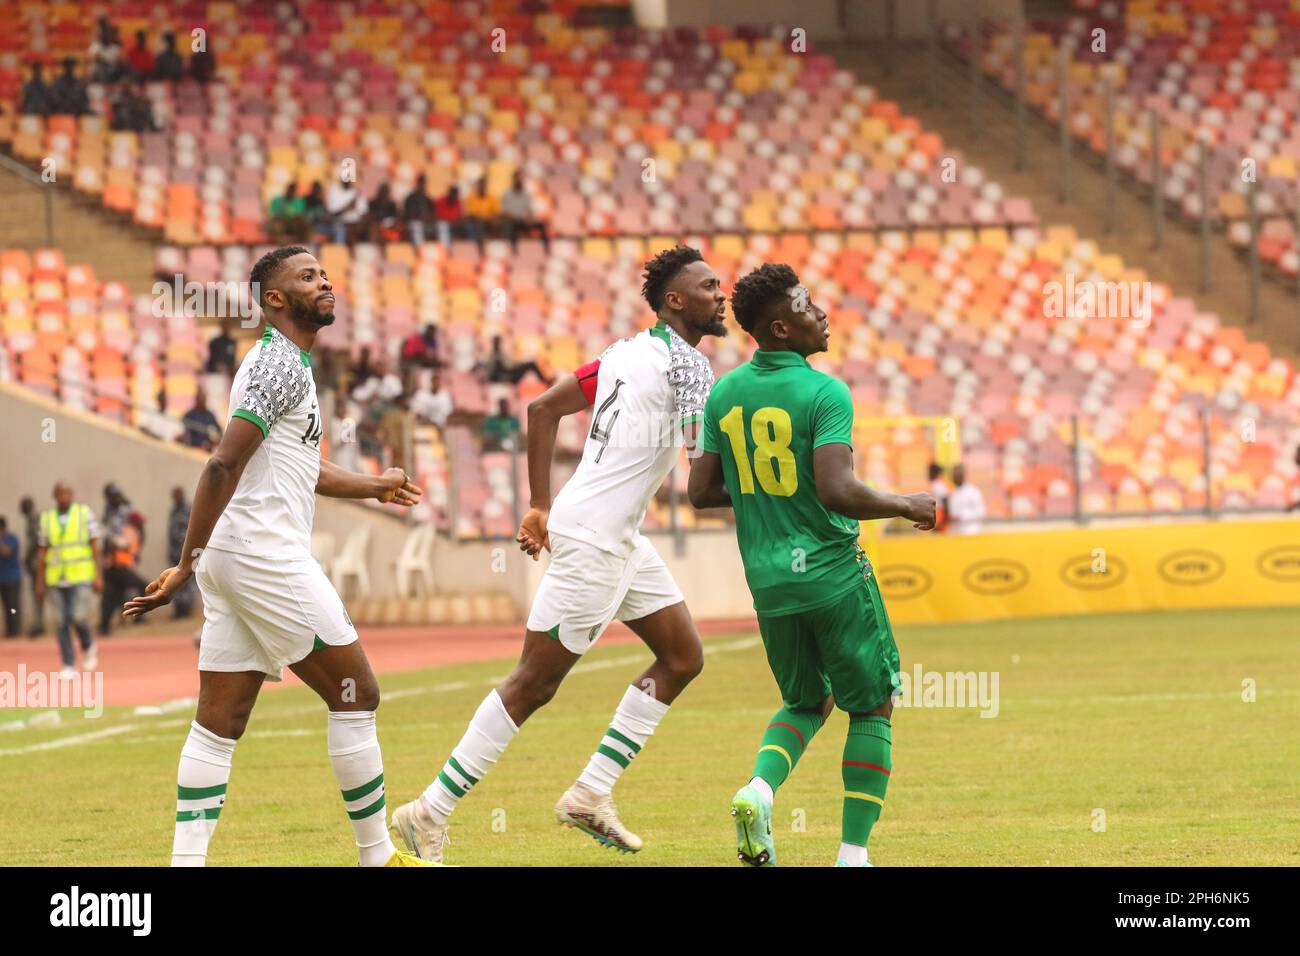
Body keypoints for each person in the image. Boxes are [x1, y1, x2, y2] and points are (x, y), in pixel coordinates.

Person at [390, 245, 726, 862]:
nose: (721, 294)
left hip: (611, 534)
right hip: (597, 539)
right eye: (709, 286)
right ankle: (429, 812)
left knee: (682, 656)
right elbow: (703, 484)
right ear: (675, 300)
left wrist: (540, 504)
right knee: (534, 682)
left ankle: (591, 793)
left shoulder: (624, 353)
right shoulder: (690, 369)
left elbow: (542, 408)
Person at [123, 245, 430, 868]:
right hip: (260, 553)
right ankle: (378, 858)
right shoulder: (278, 365)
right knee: (356, 692)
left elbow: (299, 467)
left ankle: (185, 866)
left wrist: (372, 485)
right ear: (275, 299)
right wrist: (184, 563)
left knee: (220, 722)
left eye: (324, 273)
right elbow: (221, 462)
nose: (325, 282)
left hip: (236, 557)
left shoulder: (287, 365)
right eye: (307, 276)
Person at [687, 262, 936, 868]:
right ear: (778, 328)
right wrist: (908, 504)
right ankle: (852, 854)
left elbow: (700, 492)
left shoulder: (724, 393)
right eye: (805, 307)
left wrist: (767, 495)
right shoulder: (825, 392)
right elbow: (837, 490)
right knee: (872, 704)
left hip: (769, 583)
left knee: (805, 702)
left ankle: (758, 790)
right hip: (832, 573)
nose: (820, 313)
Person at [35, 482, 103, 678]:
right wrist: (39, 582)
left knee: (78, 616)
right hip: (56, 578)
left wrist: (98, 575)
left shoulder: (84, 514)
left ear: (71, 495)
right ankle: (68, 663)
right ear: (55, 496)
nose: (64, 497)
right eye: (60, 494)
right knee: (60, 622)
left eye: (67, 493)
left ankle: (88, 645)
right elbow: (42, 552)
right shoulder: (47, 519)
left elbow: (95, 547)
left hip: (81, 575)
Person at [101, 513, 147, 636]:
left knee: (112, 596)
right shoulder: (129, 531)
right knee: (144, 586)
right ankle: (138, 617)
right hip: (118, 568)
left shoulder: (132, 532)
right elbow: (115, 543)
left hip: (116, 568)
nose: (142, 525)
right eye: (140, 522)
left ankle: (104, 626)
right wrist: (110, 556)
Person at [500, 172, 550, 251]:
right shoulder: (507, 194)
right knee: (512, 224)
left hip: (524, 220)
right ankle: (513, 248)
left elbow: (529, 209)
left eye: (520, 180)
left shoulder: (527, 194)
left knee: (540, 225)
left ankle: (546, 248)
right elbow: (505, 211)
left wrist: (528, 216)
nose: (519, 181)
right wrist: (515, 217)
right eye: (517, 180)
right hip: (513, 220)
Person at [167, 487, 197, 618]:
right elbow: (171, 534)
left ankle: (186, 609)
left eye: (178, 494)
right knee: (176, 582)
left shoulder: (189, 508)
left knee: (188, 582)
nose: (176, 497)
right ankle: (178, 609)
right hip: (175, 553)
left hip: (187, 553)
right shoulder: (173, 510)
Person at [477, 335, 550, 387]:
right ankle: (546, 381)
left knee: (531, 363)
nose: (497, 344)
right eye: (496, 342)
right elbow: (490, 372)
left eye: (498, 342)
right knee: (530, 364)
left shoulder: (503, 354)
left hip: (512, 374)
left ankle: (545, 381)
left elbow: (512, 365)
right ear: (493, 343)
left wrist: (520, 364)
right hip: (504, 377)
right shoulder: (492, 356)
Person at [20, 496, 45, 636]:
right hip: (37, 562)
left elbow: (36, 539)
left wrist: (28, 556)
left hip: (37, 562)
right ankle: (38, 623)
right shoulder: (33, 518)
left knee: (39, 593)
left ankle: (39, 624)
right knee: (38, 595)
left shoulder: (33, 519)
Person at [325, 176, 367, 245]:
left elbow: (363, 212)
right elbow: (332, 214)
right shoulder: (335, 192)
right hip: (340, 221)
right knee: (340, 228)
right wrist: (347, 207)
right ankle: (339, 250)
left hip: (356, 222)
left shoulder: (357, 193)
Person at [946, 463, 986, 535]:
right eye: (954, 475)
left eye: (957, 475)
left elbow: (981, 512)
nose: (955, 477)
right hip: (956, 533)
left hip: (971, 532)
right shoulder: (953, 493)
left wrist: (962, 517)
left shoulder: (973, 491)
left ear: (962, 475)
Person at [0, 517, 21, 638]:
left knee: (13, 606)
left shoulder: (12, 538)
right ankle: (9, 632)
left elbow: (7, 551)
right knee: (5, 606)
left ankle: (15, 631)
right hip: (2, 578)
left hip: (12, 578)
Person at [402, 174, 437, 246]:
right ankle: (419, 248)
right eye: (421, 183)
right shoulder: (410, 198)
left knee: (442, 226)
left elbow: (433, 214)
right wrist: (419, 217)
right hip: (413, 224)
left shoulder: (428, 199)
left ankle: (445, 249)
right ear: (417, 184)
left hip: (427, 224)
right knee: (416, 225)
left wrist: (428, 219)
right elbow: (408, 214)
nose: (422, 185)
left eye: (423, 183)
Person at [464, 176, 500, 241]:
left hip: (489, 220)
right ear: (477, 186)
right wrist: (483, 217)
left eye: (483, 185)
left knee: (497, 222)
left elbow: (496, 211)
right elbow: (471, 213)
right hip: (476, 220)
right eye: (480, 185)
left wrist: (491, 217)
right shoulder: (471, 197)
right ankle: (480, 242)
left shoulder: (491, 197)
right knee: (478, 222)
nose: (482, 187)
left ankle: (496, 242)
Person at [928, 462, 949, 530]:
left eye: (929, 471)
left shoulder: (939, 485)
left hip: (940, 516)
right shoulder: (935, 484)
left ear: (934, 472)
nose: (928, 474)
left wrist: (942, 521)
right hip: (937, 516)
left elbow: (945, 502)